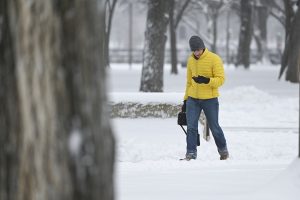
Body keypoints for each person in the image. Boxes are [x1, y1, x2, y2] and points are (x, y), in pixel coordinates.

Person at [181, 35, 229, 161]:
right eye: (194, 50)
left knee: (214, 126)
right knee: (191, 127)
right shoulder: (190, 60)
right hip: (193, 99)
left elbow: (221, 79)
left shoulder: (214, 59)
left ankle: (223, 150)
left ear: (203, 47)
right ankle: (191, 153)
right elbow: (189, 82)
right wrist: (185, 100)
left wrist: (207, 80)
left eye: (198, 50)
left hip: (210, 99)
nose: (196, 53)